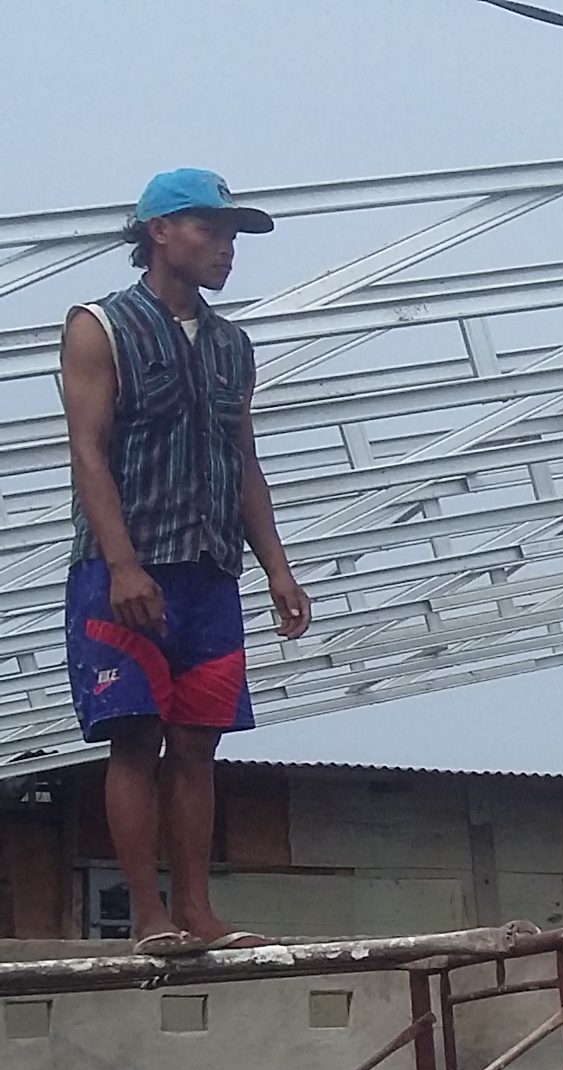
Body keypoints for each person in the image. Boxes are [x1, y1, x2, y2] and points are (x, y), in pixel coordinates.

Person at [60, 169, 310, 956]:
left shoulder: (232, 345)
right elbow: (87, 451)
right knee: (136, 738)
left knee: (199, 744)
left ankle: (198, 909)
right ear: (159, 231)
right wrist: (122, 565)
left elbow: (244, 461)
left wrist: (276, 568)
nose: (226, 248)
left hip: (209, 569)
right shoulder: (100, 326)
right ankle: (148, 914)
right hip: (126, 568)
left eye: (232, 235)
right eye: (210, 230)